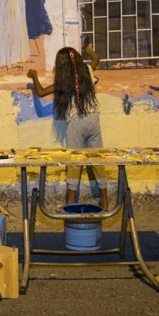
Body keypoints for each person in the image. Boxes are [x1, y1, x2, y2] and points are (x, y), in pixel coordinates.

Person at [28, 43, 109, 209]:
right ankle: (105, 200)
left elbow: (42, 92)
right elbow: (96, 59)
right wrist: (90, 51)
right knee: (96, 160)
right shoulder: (87, 70)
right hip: (93, 119)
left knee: (74, 162)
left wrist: (34, 76)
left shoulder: (63, 81)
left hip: (76, 122)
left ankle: (70, 202)